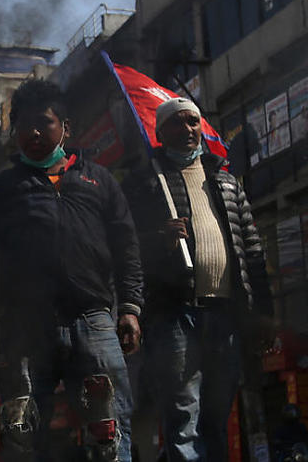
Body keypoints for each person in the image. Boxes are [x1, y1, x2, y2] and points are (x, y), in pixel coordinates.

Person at [0, 80, 143, 461]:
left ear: (65, 128)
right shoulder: (4, 189)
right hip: (25, 331)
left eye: (44, 123)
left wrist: (131, 308)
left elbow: (127, 248)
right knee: (22, 435)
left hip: (94, 322)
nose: (34, 133)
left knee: (110, 432)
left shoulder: (99, 181)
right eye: (23, 125)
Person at [122, 98, 273, 462]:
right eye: (178, 123)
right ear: (160, 133)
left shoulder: (225, 181)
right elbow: (122, 248)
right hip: (174, 314)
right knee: (182, 418)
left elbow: (252, 250)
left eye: (194, 122)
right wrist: (159, 237)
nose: (188, 130)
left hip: (225, 315)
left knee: (217, 418)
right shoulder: (145, 185)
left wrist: (263, 314)